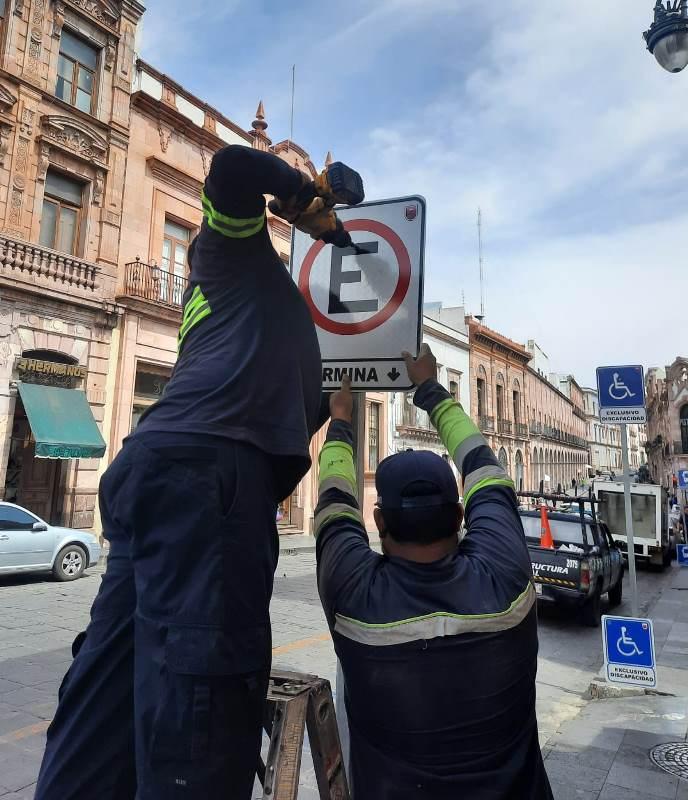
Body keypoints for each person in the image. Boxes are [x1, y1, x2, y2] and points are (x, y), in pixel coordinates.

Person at [35, 145, 361, 800]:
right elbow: (235, 169)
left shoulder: (238, 317)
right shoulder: (229, 256)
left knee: (108, 690)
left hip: (169, 481)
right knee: (201, 723)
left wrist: (341, 414)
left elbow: (293, 407)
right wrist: (302, 199)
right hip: (208, 490)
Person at [315, 344, 553, 799]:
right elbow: (487, 472)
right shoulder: (505, 579)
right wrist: (430, 389)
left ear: (380, 522)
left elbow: (333, 503)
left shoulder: (355, 597)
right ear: (460, 516)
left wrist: (341, 421)